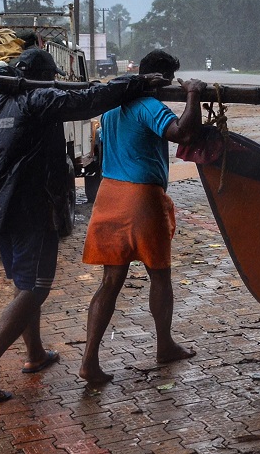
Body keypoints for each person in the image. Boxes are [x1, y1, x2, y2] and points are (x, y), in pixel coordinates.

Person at [0, 48, 162, 404]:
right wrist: (137, 82)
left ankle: (35, 353)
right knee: (36, 288)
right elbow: (88, 101)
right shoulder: (39, 99)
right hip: (32, 209)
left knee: (24, 284)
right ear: (44, 77)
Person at [79, 51, 207, 385]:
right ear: (162, 80)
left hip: (109, 196)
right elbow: (183, 133)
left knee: (110, 282)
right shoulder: (149, 106)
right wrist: (193, 94)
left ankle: (89, 360)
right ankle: (164, 345)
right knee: (160, 276)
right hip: (140, 198)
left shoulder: (111, 108)